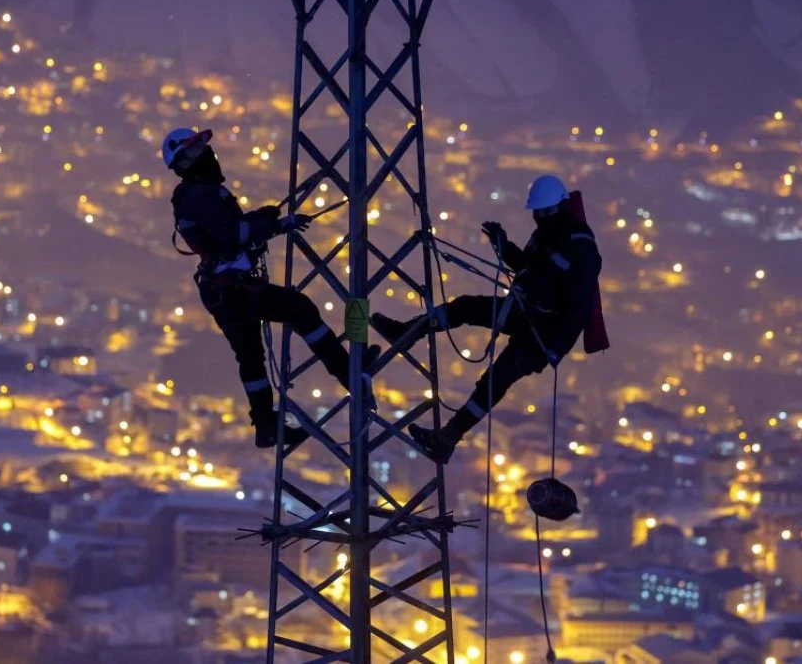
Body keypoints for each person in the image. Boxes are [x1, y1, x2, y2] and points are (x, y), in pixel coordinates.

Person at [164, 127, 377, 449]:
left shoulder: (199, 194)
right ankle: (348, 373)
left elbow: (230, 231)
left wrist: (264, 220)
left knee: (250, 357)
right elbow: (232, 235)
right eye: (194, 153)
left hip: (225, 291)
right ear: (181, 163)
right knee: (299, 309)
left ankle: (265, 424)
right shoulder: (201, 195)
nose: (205, 155)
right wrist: (274, 225)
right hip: (233, 290)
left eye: (202, 149)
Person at [372, 174, 606, 463]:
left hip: (548, 332)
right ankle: (406, 333)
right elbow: (528, 267)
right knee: (466, 308)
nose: (541, 218)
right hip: (528, 311)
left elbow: (579, 307)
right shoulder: (547, 235)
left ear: (558, 208)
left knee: (497, 378)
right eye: (538, 213)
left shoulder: (579, 245)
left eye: (545, 212)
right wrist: (503, 245)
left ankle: (448, 437)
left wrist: (554, 349)